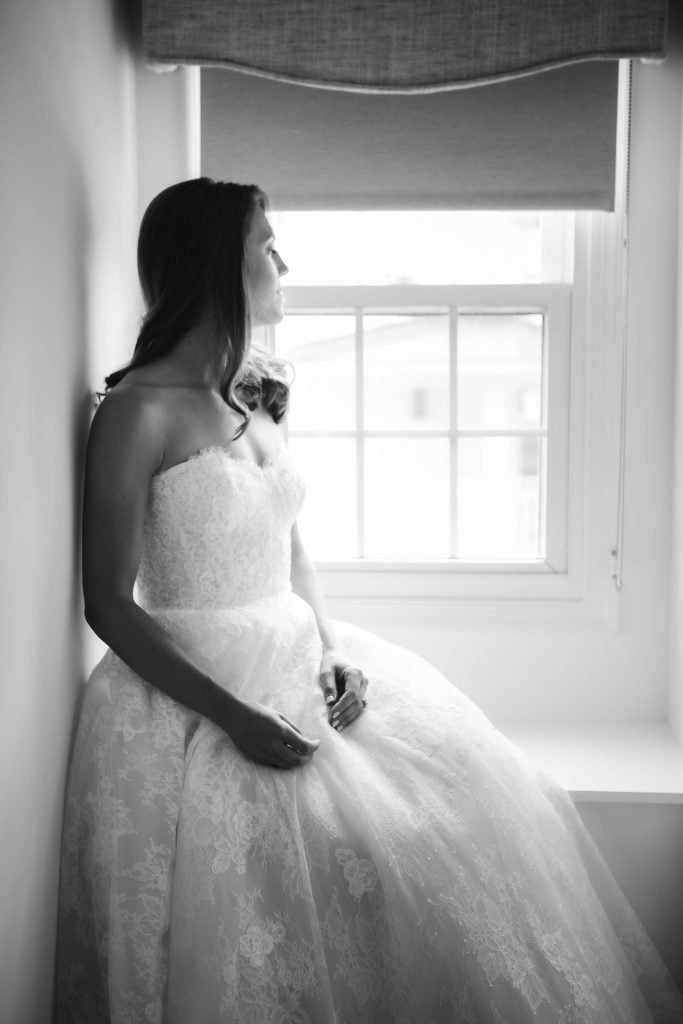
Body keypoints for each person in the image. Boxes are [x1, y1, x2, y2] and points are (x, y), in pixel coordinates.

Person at [56, 177, 682, 1024]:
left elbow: (289, 551)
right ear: (217, 265)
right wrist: (235, 716)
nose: (283, 265)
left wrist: (331, 649)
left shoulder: (247, 398)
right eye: (267, 246)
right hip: (192, 693)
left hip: (295, 653)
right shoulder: (135, 414)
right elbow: (106, 603)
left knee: (459, 816)